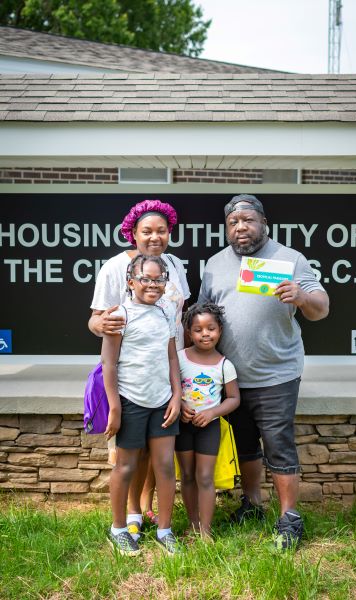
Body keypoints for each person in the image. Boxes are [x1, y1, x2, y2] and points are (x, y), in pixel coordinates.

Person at [198, 194, 329, 550]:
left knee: (279, 446)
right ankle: (252, 504)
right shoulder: (213, 265)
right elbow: (202, 318)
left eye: (248, 220)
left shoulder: (289, 259)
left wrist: (301, 297)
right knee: (245, 445)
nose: (241, 227)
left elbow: (322, 308)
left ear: (264, 224)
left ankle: (290, 519)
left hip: (277, 373)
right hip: (231, 378)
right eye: (233, 222)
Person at [89, 199, 190, 531]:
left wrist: (180, 384)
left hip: (166, 371)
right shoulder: (115, 268)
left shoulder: (174, 265)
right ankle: (131, 515)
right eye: (147, 231)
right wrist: (103, 326)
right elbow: (97, 321)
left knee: (158, 454)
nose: (155, 237)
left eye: (162, 231)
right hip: (131, 375)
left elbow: (179, 319)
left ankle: (150, 511)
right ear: (133, 233)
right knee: (130, 454)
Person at [102, 254, 181, 555]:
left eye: (158, 279)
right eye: (145, 279)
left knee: (163, 466)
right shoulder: (120, 315)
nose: (152, 284)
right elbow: (109, 364)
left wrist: (176, 395)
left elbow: (172, 356)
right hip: (131, 400)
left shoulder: (166, 311)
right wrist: (115, 407)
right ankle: (119, 528)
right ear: (131, 281)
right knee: (126, 465)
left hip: (163, 400)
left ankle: (165, 529)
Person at [175, 302, 240, 538]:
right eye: (198, 329)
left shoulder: (225, 365)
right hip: (182, 427)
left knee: (204, 476)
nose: (205, 334)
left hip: (209, 428)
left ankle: (206, 530)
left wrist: (212, 413)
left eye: (210, 328)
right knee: (188, 475)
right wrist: (180, 406)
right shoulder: (179, 359)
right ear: (189, 333)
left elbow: (234, 399)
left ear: (219, 330)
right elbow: (169, 389)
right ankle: (192, 524)